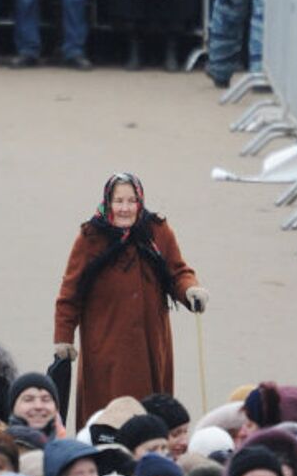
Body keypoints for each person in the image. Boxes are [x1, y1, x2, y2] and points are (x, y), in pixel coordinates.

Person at [54, 173, 208, 426]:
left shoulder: (157, 231)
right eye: (118, 201)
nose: (125, 208)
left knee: (149, 412)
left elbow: (178, 272)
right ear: (108, 202)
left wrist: (190, 291)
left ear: (140, 201)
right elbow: (70, 293)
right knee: (107, 416)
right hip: (106, 348)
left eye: (131, 201)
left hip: (151, 344)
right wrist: (63, 338)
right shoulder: (90, 238)